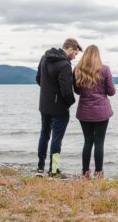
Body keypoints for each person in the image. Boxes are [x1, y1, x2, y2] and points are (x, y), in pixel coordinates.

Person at [35, 38, 82, 178]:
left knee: (44, 135)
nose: (75, 57)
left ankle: (40, 168)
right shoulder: (64, 65)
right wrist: (70, 102)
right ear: (70, 49)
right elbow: (67, 91)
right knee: (56, 139)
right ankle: (53, 170)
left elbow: (38, 79)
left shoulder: (44, 58)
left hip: (44, 105)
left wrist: (48, 93)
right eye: (75, 53)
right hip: (59, 108)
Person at [73, 45, 115, 179]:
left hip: (84, 111)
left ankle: (85, 172)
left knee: (88, 141)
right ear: (98, 55)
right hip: (101, 111)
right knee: (99, 142)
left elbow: (78, 91)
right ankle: (99, 173)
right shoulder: (105, 69)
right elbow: (111, 92)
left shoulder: (77, 70)